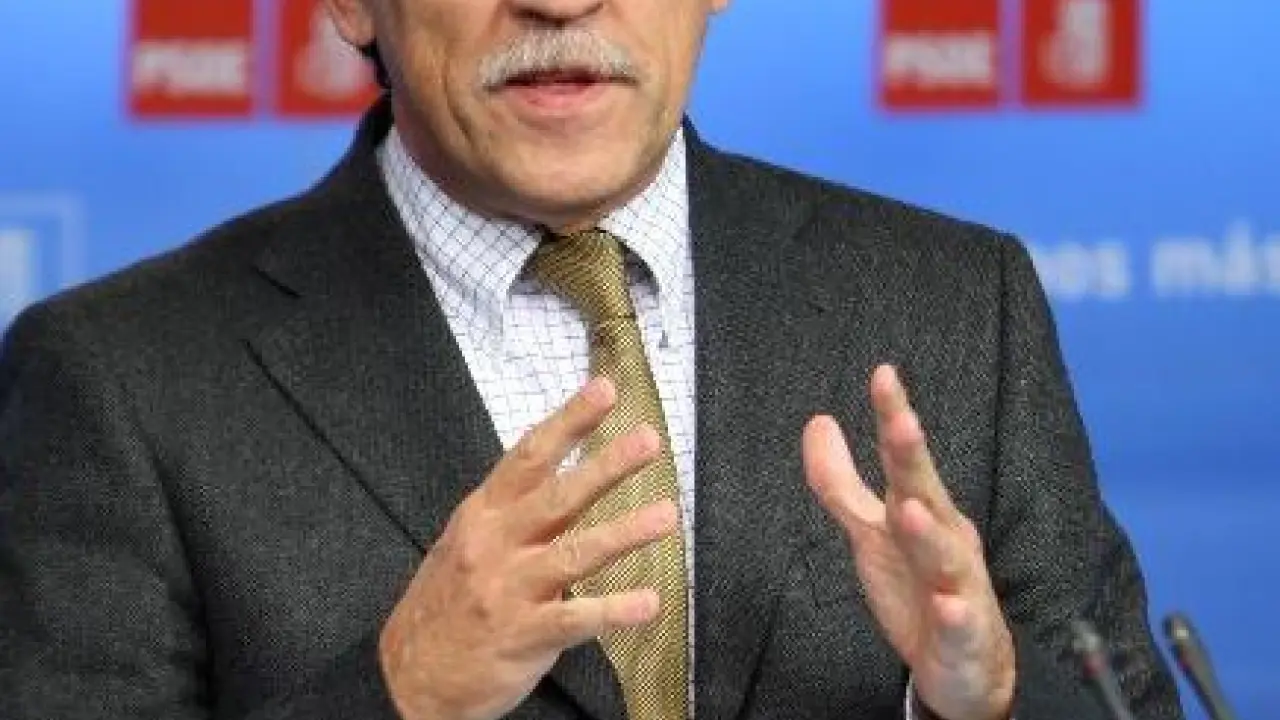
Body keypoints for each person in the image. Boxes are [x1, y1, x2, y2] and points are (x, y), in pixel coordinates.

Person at [0, 1, 1184, 719]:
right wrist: (400, 691)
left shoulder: (954, 301)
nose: (559, 3)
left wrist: (988, 701)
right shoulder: (117, 377)